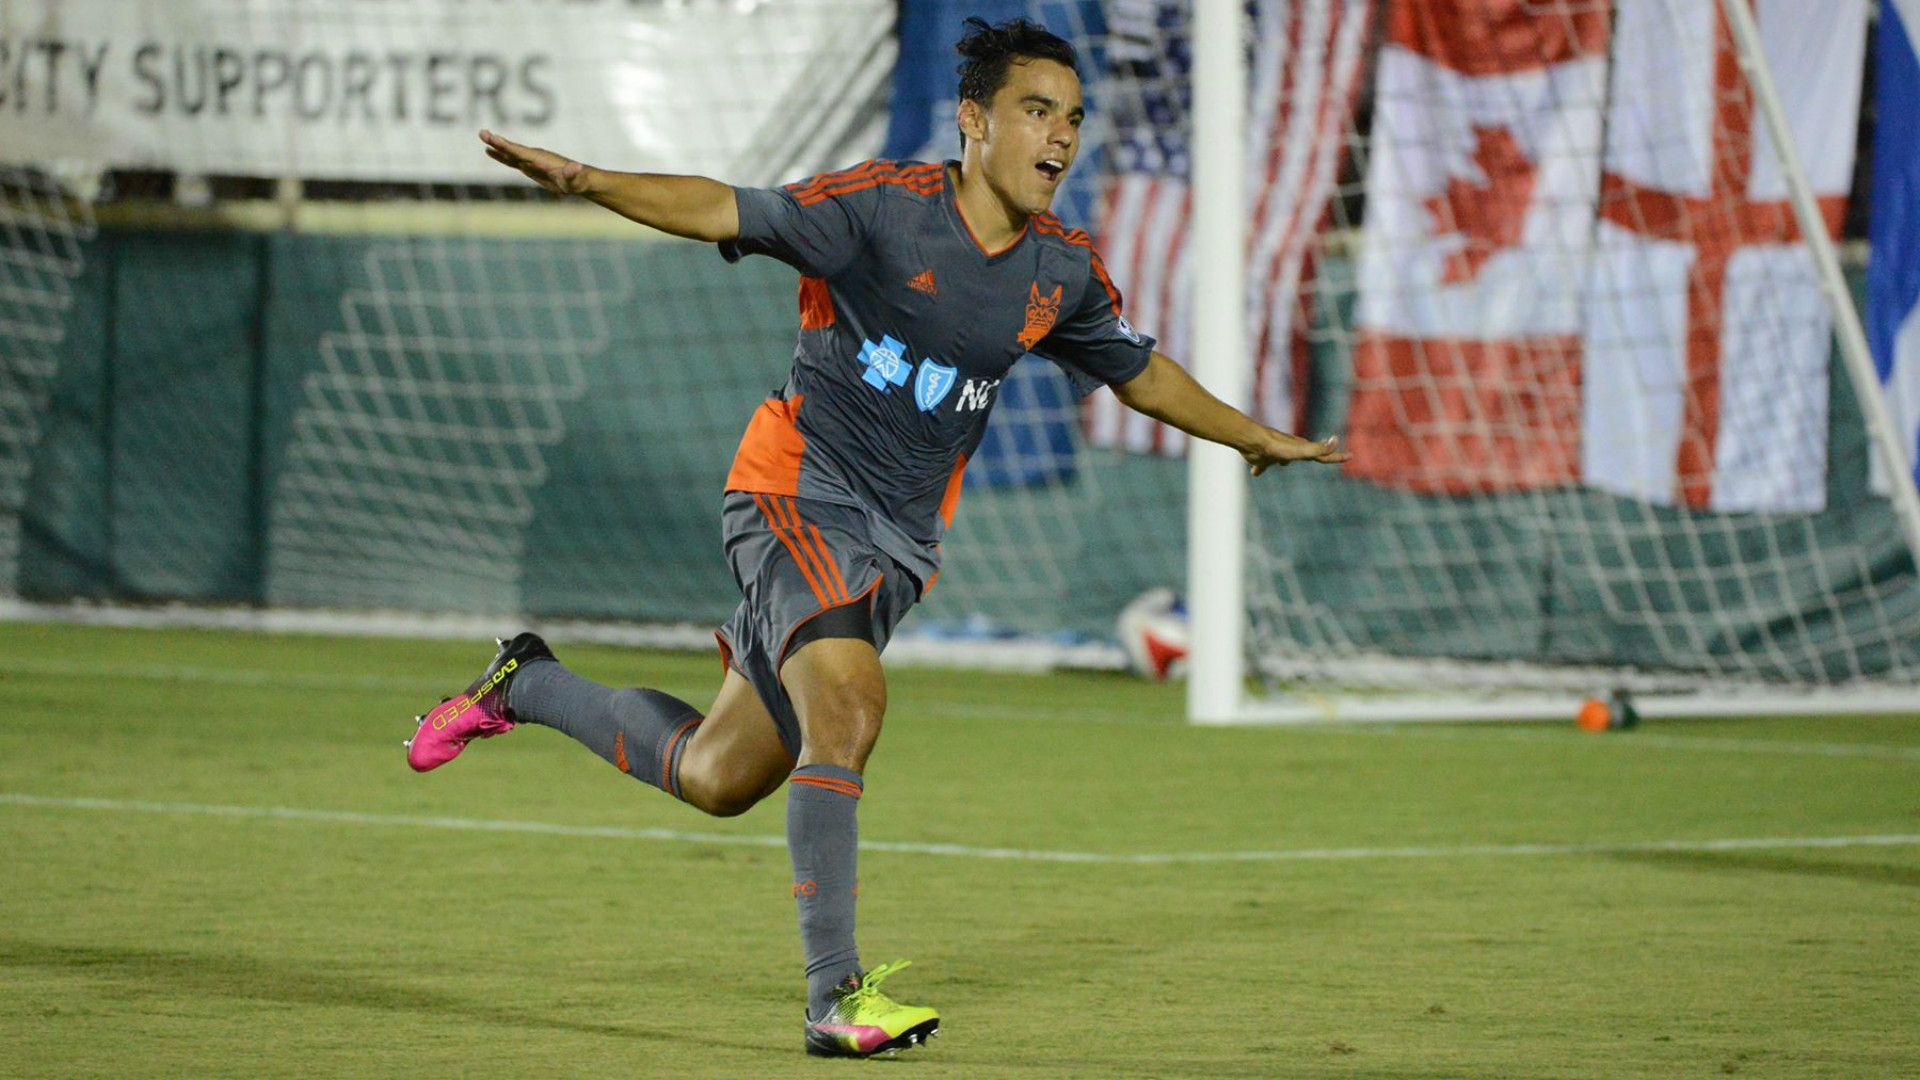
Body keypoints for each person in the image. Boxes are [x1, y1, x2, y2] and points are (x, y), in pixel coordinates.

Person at [406, 15, 1349, 1060]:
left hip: (895, 548)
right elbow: (725, 205)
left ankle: (526, 684)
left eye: (1074, 119)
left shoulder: (1060, 270)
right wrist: (589, 179)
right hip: (794, 493)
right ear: (973, 120)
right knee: (850, 707)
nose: (1061, 136)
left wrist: (1252, 435)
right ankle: (835, 998)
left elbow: (1141, 372)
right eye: (1037, 111)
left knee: (718, 775)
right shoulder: (879, 209)